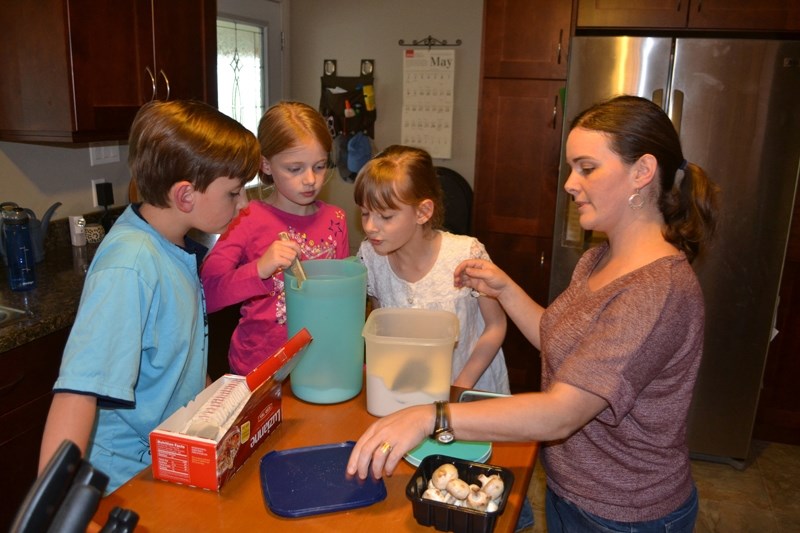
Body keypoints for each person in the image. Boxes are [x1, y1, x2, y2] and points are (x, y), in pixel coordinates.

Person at [347, 95, 717, 532]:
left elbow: (563, 412)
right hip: (571, 491)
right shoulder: (597, 260)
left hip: (623, 513)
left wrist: (435, 416)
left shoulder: (658, 290)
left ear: (641, 172)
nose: (570, 184)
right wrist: (505, 289)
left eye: (587, 168)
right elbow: (557, 338)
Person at [39, 100, 260, 493]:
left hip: (169, 462)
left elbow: (182, 362)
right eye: (234, 192)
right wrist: (54, 506)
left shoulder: (175, 246)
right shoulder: (130, 268)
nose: (243, 204)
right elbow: (77, 393)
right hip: (122, 482)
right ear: (186, 196)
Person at [201, 101, 349, 375]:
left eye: (319, 166)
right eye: (295, 169)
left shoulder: (335, 220)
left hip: (317, 363)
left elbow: (341, 300)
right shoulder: (247, 218)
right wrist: (258, 269)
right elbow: (207, 293)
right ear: (266, 165)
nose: (310, 180)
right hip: (257, 369)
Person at [354, 145, 509, 393]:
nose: (371, 226)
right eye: (364, 213)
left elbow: (495, 326)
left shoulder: (466, 254)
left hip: (469, 389)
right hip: (410, 391)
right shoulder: (370, 258)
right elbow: (382, 329)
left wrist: (459, 387)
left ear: (423, 212)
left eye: (385, 216)